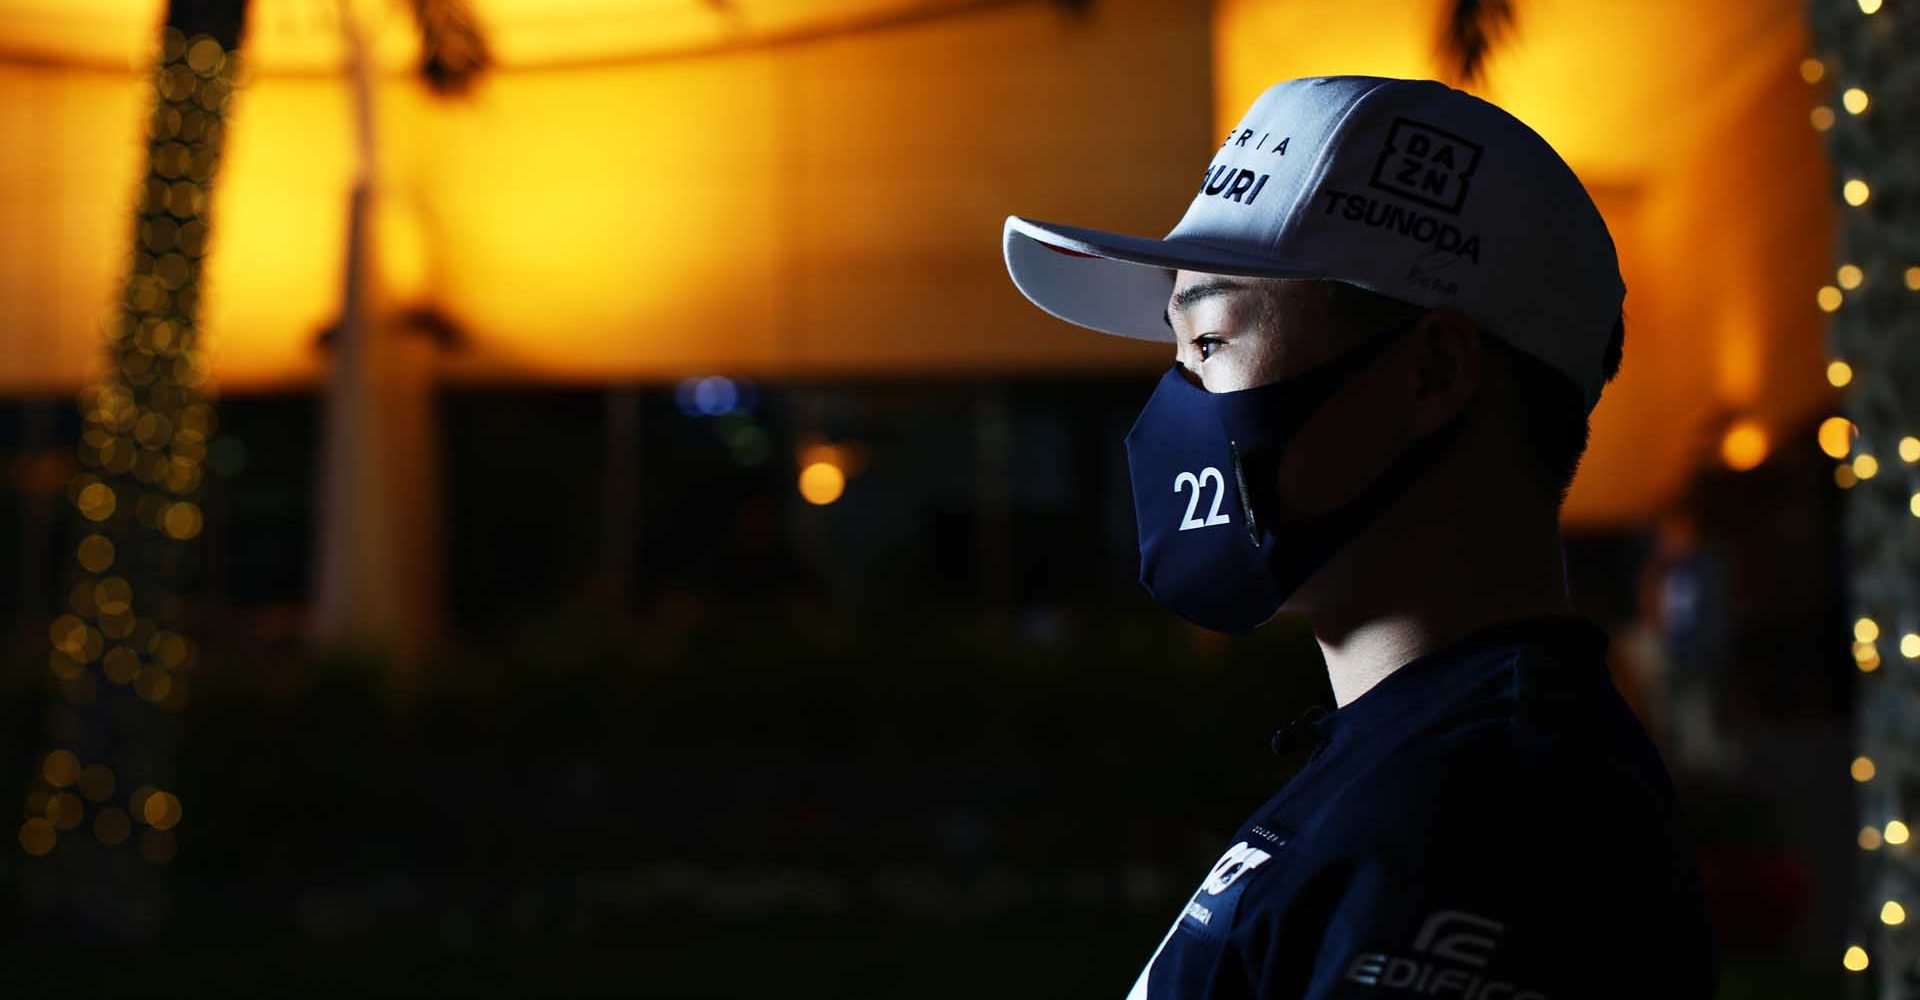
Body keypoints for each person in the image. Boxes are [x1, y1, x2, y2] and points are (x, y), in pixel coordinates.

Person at [999, 76, 1719, 998]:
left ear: (1432, 372)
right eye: (1173, 353)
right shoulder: (1414, 761)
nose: (1171, 403)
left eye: (1210, 344)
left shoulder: (1485, 818)